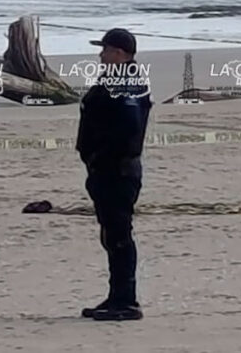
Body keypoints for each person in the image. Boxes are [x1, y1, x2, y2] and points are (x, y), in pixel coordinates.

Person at [75, 28, 152, 321]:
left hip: (117, 170)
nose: (101, 55)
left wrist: (102, 155)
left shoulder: (127, 84)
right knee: (110, 234)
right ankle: (117, 296)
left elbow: (129, 126)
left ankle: (126, 302)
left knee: (119, 235)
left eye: (105, 49)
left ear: (119, 53)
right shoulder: (118, 80)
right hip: (107, 168)